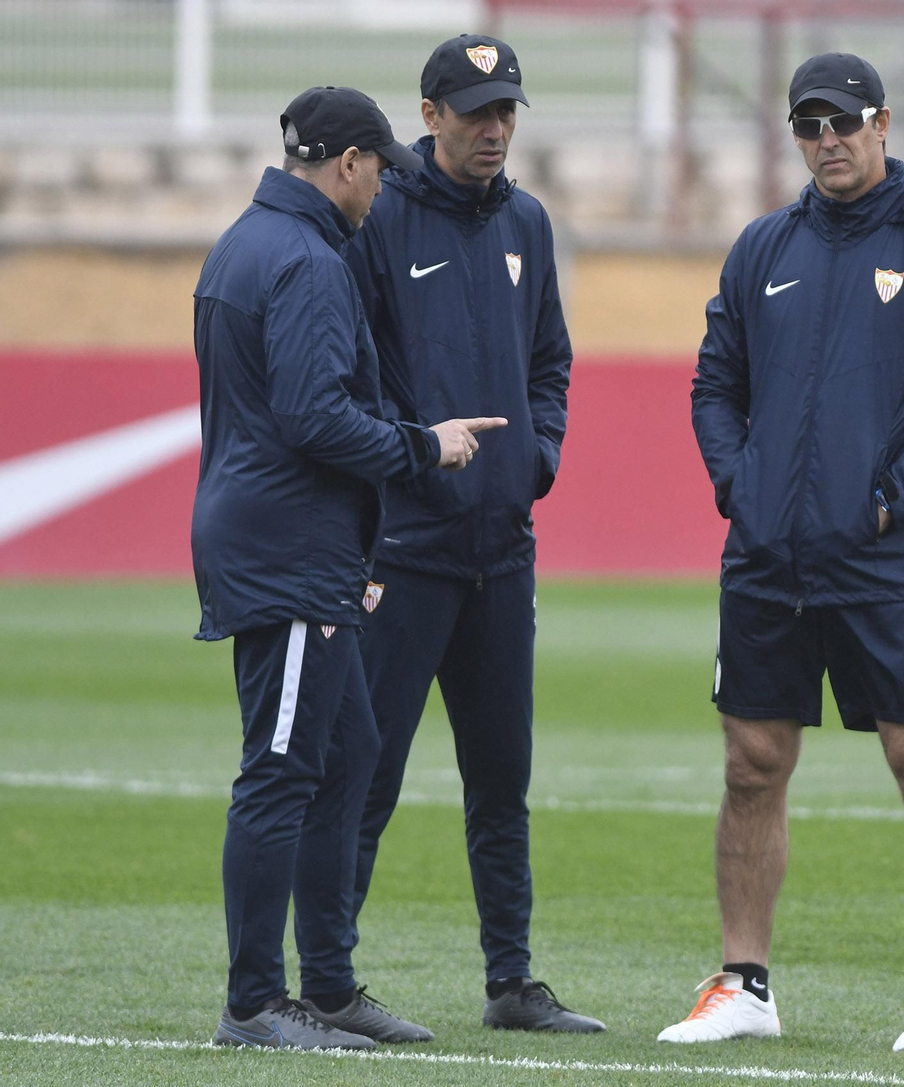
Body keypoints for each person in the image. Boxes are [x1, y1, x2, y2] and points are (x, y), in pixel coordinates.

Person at [662, 53, 904, 1054]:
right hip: (767, 559)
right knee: (751, 762)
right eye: (808, 126)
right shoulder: (761, 247)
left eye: (842, 123)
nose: (826, 142)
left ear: (882, 123)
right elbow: (713, 385)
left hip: (886, 561)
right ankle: (744, 982)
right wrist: (741, 484)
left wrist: (894, 494)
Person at [193, 86, 507, 1050]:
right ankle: (255, 1000)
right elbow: (313, 417)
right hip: (290, 551)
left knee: (348, 756)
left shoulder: (244, 243)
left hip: (282, 537)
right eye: (379, 172)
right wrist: (426, 445)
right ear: (348, 165)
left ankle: (327, 986)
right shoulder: (310, 260)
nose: (382, 192)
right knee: (284, 769)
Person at [337, 35, 603, 1034]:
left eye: (507, 111)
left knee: (502, 781)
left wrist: (536, 457)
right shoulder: (378, 222)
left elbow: (550, 362)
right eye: (477, 110)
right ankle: (327, 980)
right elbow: (351, 375)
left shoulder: (528, 224)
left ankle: (511, 981)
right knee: (365, 776)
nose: (495, 128)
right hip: (403, 553)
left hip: (503, 549)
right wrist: (408, 460)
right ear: (430, 113)